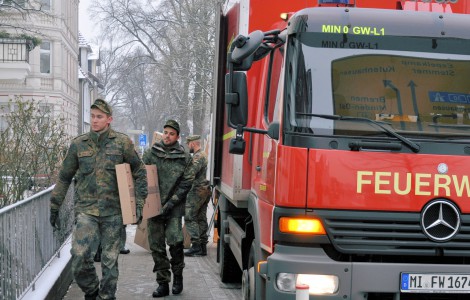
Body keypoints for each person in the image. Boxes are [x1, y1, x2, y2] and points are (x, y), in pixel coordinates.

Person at [49, 99, 148, 300]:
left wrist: (137, 204)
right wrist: (55, 204)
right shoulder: (78, 144)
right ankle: (92, 290)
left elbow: (139, 171)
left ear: (109, 120)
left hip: (113, 212)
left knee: (110, 262)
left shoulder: (122, 143)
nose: (94, 121)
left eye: (99, 117)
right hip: (87, 211)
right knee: (79, 256)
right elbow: (64, 177)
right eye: (93, 116)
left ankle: (107, 297)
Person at [142, 119, 194, 298]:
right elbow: (141, 173)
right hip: (154, 207)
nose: (167, 136)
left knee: (175, 243)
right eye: (165, 132)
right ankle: (162, 282)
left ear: (177, 137)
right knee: (156, 246)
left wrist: (171, 203)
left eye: (172, 134)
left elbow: (187, 182)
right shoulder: (151, 153)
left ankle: (178, 277)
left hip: (173, 207)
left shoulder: (184, 156)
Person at [183, 135, 211, 257]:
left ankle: (196, 245)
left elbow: (190, 174)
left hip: (197, 190)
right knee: (201, 218)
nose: (187, 146)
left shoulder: (198, 157)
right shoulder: (204, 155)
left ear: (193, 144)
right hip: (204, 190)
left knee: (189, 216)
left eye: (188, 144)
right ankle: (203, 247)